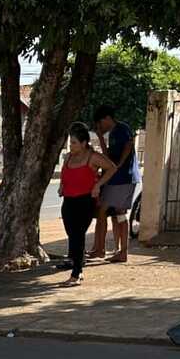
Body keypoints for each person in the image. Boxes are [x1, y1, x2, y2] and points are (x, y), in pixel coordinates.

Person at [57, 123, 116, 287]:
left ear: (84, 143)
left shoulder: (93, 157)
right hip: (68, 201)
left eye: (74, 142)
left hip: (85, 201)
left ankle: (76, 272)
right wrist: (62, 185)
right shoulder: (68, 157)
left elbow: (112, 168)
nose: (71, 146)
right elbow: (64, 172)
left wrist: (98, 185)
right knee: (72, 234)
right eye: (70, 143)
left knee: (78, 234)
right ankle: (77, 264)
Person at [89, 105, 136, 263]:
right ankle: (114, 250)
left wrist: (119, 165)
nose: (100, 126)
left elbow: (129, 145)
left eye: (100, 123)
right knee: (116, 214)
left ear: (106, 118)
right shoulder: (113, 133)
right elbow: (107, 155)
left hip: (123, 178)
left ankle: (117, 251)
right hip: (116, 179)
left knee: (112, 211)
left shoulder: (122, 128)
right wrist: (101, 137)